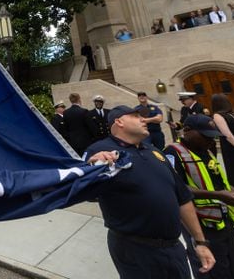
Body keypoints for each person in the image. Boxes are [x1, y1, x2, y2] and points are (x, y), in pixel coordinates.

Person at [85, 105, 215, 278]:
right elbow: (86, 190)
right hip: (135, 250)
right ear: (119, 121)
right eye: (136, 116)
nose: (143, 119)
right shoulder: (100, 151)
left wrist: (200, 242)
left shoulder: (155, 152)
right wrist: (92, 167)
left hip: (173, 248)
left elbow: (182, 198)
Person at [164, 115, 234, 279]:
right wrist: (217, 195)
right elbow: (174, 187)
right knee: (214, 270)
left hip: (222, 220)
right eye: (205, 136)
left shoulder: (207, 151)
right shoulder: (172, 153)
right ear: (187, 131)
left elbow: (221, 183)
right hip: (200, 224)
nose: (210, 141)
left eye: (212, 137)